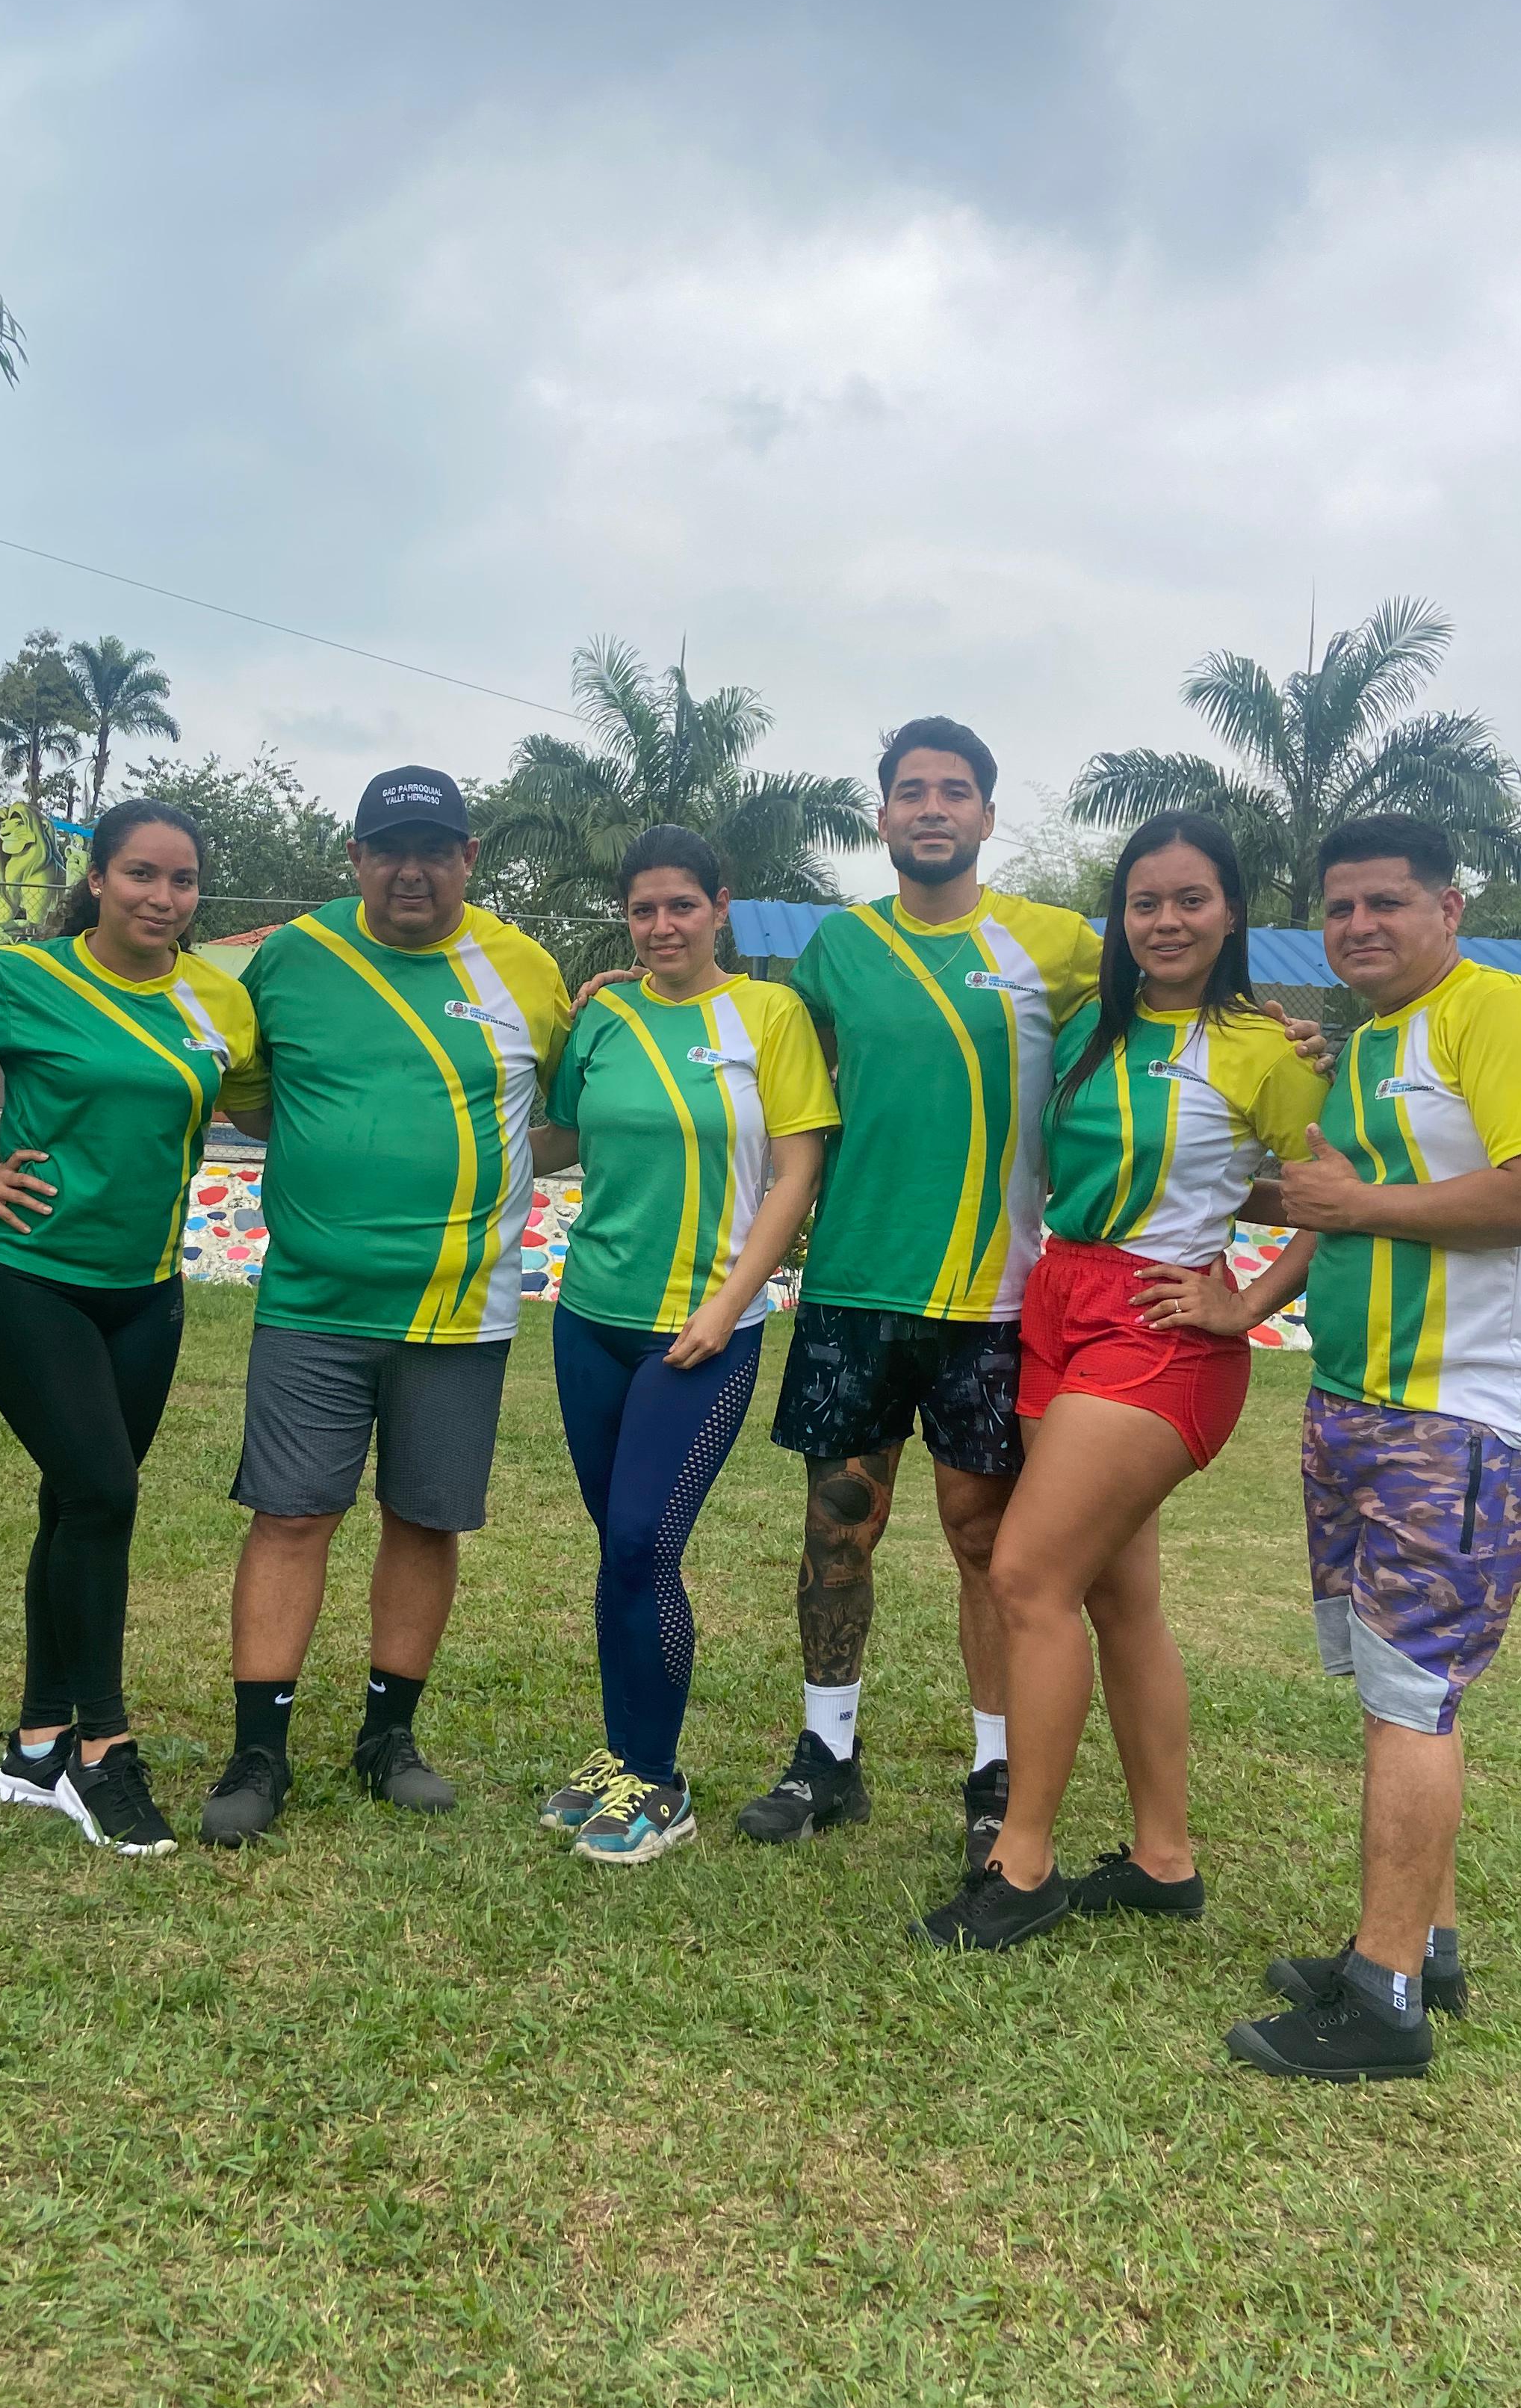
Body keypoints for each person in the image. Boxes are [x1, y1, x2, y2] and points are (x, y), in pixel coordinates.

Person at [915, 814, 1327, 1949]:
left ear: (1231, 912)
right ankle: (1163, 1860)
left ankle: (1022, 1866)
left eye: (1192, 899)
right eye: (1145, 902)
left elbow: (1334, 1194)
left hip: (1160, 1326)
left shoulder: (1268, 1049)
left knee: (1027, 1577)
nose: (1167, 921)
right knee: (1118, 1597)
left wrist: (1246, 1303)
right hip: (1058, 1303)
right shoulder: (1091, 1027)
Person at [1224, 817, 1521, 2080]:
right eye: (1340, 907)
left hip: (1462, 1420)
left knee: (1410, 1699)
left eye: (1387, 901)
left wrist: (1361, 1202)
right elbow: (1329, 1206)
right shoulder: (1373, 1044)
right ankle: (1423, 1949)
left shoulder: (1509, 1015)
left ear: (1450, 907)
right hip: (1357, 1405)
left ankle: (1381, 2005)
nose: (1360, 925)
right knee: (1403, 1693)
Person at [740, 718, 1102, 1862]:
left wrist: (1275, 1034)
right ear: (884, 814)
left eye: (954, 791)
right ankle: (826, 1758)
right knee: (837, 1527)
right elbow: (760, 1049)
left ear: (988, 815)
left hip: (994, 1294)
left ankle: (995, 1770)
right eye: (911, 790)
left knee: (986, 1540)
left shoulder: (1061, 945)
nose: (931, 807)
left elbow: (1172, 1013)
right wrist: (632, 992)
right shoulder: (838, 950)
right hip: (854, 1283)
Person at [0, 799, 261, 1860]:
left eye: (183, 880)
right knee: (103, 1493)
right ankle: (102, 1748)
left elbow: (258, 1103)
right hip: (31, 1278)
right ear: (96, 880)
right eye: (141, 874)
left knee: (77, 1503)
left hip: (147, 1290)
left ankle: (36, 1745)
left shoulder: (218, 998)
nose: (163, 897)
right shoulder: (26, 979)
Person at [197, 766, 570, 1845]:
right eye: (390, 849)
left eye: (435, 849)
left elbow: (567, 1119)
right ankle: (258, 1752)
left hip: (462, 1309)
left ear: (469, 859)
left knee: (424, 1517)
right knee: (291, 1515)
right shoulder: (292, 958)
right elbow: (255, 1102)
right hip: (313, 1301)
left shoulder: (527, 970)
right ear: (355, 857)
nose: (413, 870)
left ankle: (387, 1737)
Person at [530, 828, 836, 1863]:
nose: (662, 926)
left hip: (703, 1334)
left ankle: (659, 1785)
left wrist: (728, 1304)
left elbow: (797, 1172)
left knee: (643, 1544)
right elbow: (559, 1140)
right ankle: (622, 1758)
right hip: (589, 1318)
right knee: (617, 1551)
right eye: (643, 910)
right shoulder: (603, 1016)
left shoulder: (770, 1016)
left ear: (721, 906)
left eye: (682, 906)